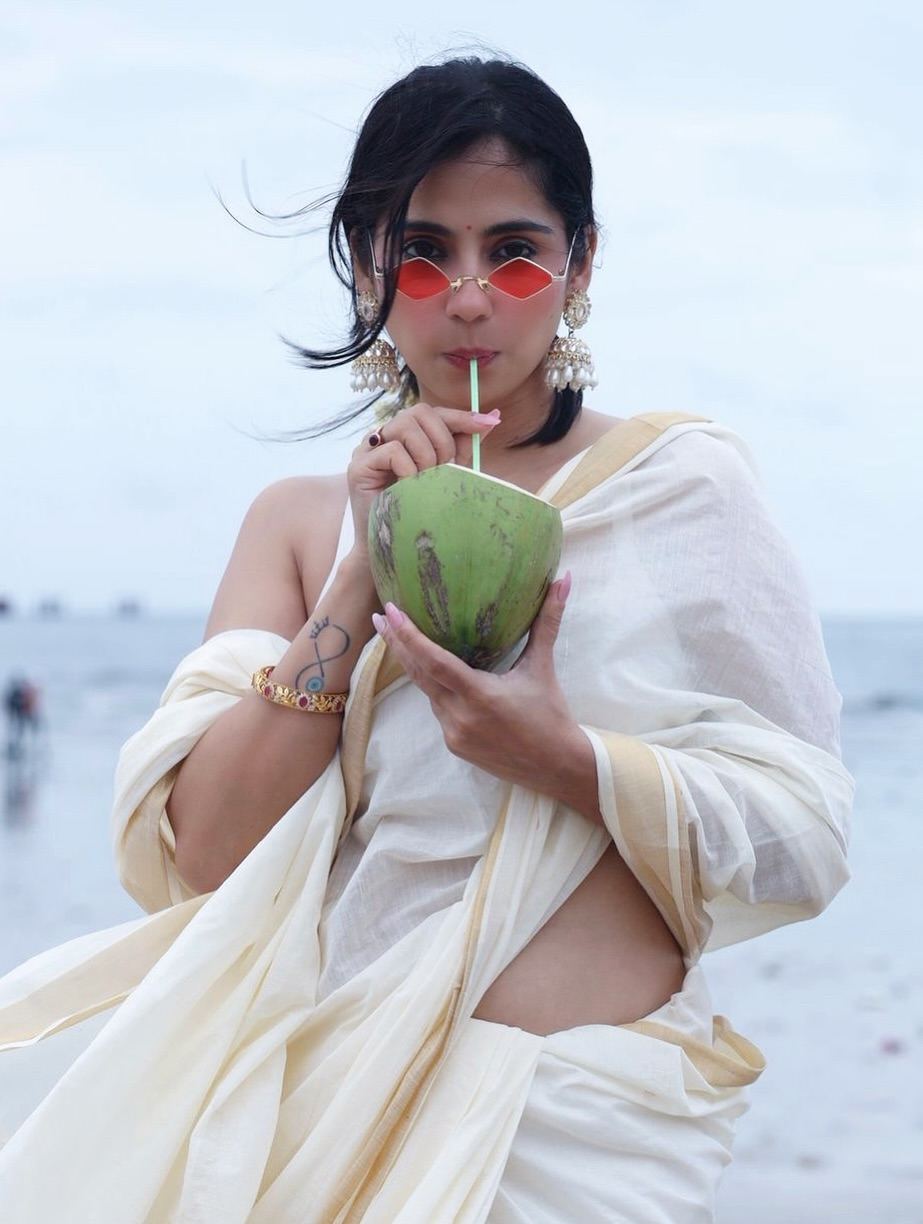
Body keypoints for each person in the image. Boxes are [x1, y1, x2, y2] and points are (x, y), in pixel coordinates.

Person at [0, 56, 853, 1221]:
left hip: (581, 1133)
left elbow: (802, 835)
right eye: (421, 252)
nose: (466, 296)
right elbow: (202, 851)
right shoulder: (300, 531)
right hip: (330, 1102)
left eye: (512, 252)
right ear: (365, 267)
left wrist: (561, 755)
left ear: (578, 264)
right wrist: (361, 577)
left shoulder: (675, 493)